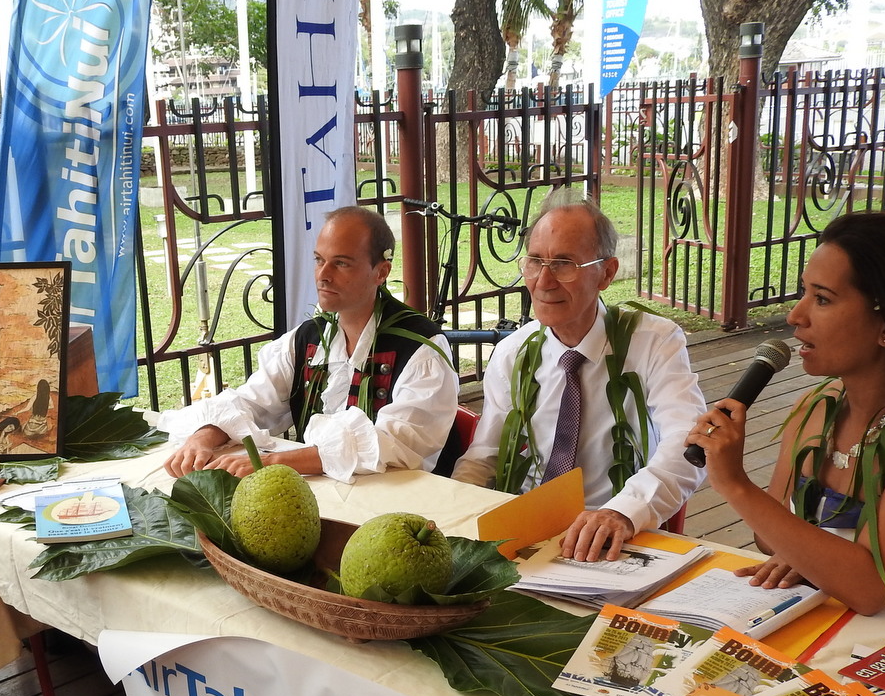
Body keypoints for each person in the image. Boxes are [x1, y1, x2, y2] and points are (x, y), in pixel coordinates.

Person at [684, 211, 885, 615]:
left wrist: (734, 484)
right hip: (832, 615)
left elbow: (873, 589)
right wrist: (813, 554)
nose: (795, 316)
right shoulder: (820, 407)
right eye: (804, 293)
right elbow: (770, 540)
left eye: (822, 299)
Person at [454, 194, 707, 561]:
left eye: (563, 264)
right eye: (535, 261)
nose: (543, 281)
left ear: (607, 272)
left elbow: (688, 444)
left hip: (611, 541)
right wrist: (455, 515)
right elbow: (485, 457)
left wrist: (622, 512)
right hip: (527, 534)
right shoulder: (514, 352)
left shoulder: (654, 342)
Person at [161, 205, 459, 480]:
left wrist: (272, 462)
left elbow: (392, 443)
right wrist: (204, 436)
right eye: (319, 260)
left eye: (341, 264)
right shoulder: (308, 338)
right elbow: (254, 401)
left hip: (401, 509)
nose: (323, 276)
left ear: (381, 271)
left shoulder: (422, 349)